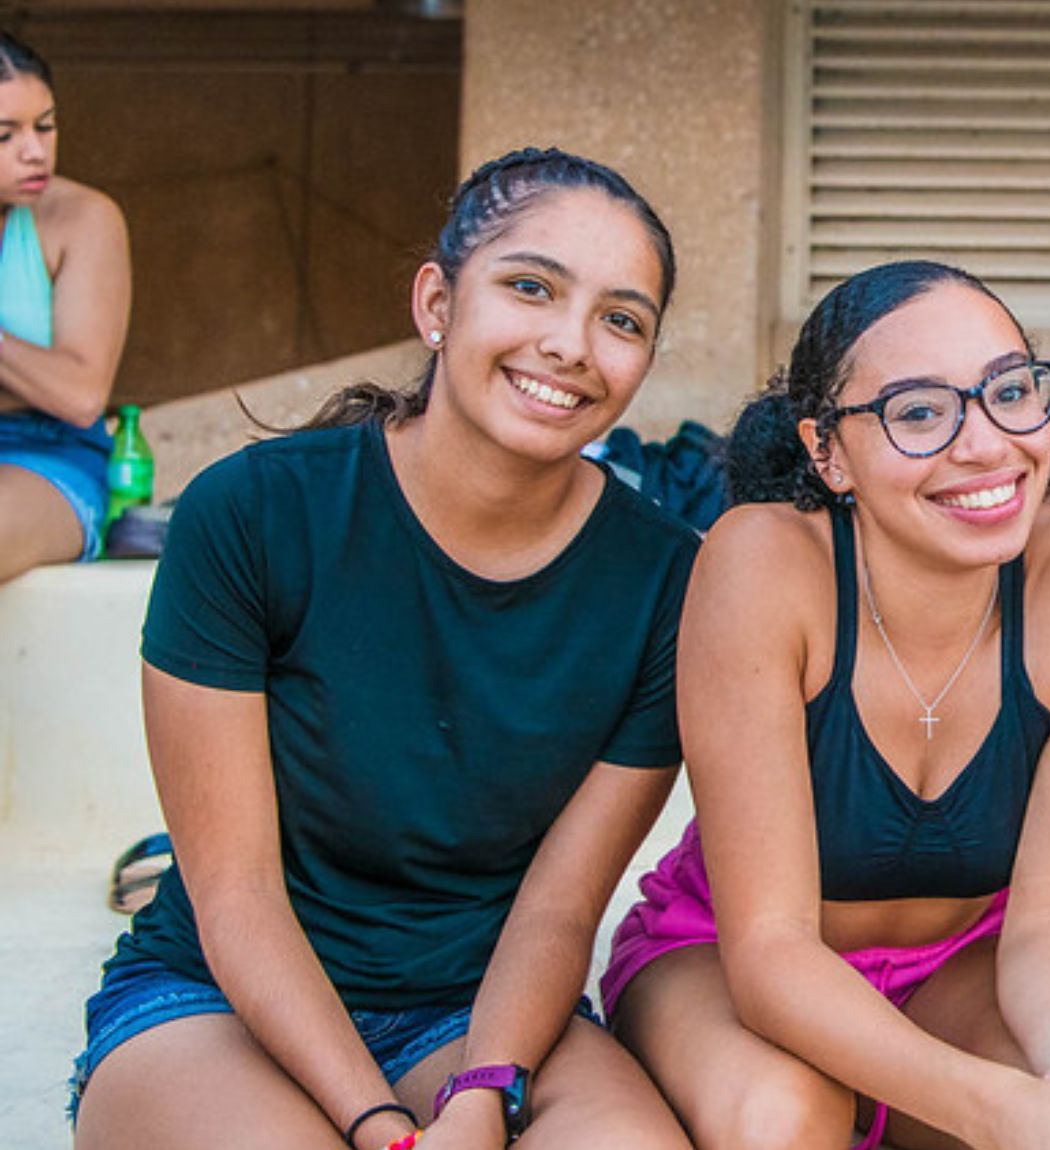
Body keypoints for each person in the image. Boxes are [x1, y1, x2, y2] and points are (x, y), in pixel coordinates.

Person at [70, 148, 696, 1150]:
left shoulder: (667, 581)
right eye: (529, 287)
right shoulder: (255, 512)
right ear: (437, 302)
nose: (571, 344)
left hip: (482, 1014)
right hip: (219, 1002)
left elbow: (560, 902)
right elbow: (234, 894)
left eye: (621, 319)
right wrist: (376, 1123)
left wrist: (483, 1094)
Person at [603, 260, 1050, 1150]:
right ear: (829, 451)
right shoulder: (761, 564)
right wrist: (993, 1109)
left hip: (965, 964)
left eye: (1011, 392)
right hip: (724, 956)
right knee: (783, 1119)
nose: (985, 445)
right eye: (918, 412)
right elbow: (771, 954)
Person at [0, 31, 130, 584]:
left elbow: (80, 395)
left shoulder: (84, 218)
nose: (35, 150)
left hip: (47, 453)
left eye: (45, 126)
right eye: (4, 135)